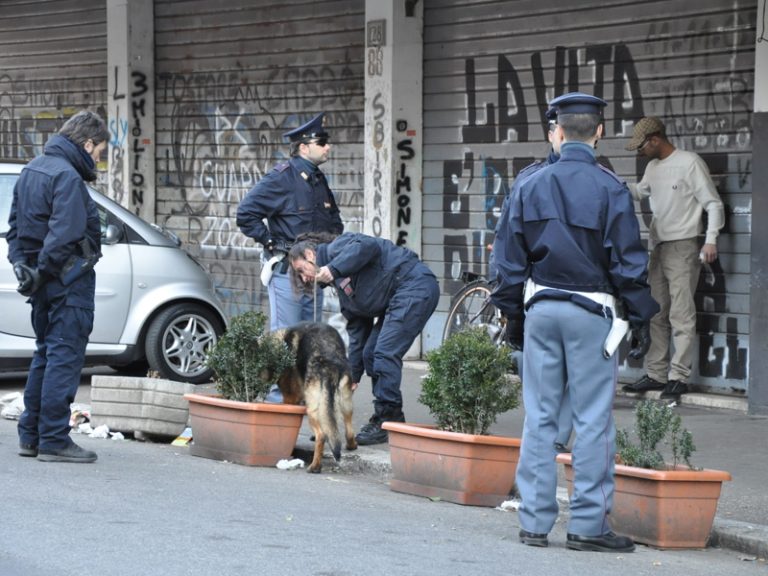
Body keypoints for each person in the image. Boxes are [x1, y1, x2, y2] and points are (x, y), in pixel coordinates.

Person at [491, 92, 659, 552]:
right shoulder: (611, 188)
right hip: (593, 313)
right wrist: (640, 315)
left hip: (541, 309)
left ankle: (533, 522)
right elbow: (628, 262)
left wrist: (513, 315)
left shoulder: (529, 184)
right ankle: (587, 525)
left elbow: (507, 261)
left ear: (559, 132)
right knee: (592, 420)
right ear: (599, 132)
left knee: (540, 417)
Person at [6, 110, 108, 463]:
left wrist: (23, 267)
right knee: (63, 357)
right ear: (87, 143)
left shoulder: (33, 169)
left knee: (45, 354)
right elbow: (65, 232)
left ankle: (30, 436)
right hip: (67, 282)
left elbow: (15, 228)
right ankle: (52, 439)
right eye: (99, 152)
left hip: (42, 282)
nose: (98, 160)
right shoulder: (66, 176)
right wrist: (44, 270)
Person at [287, 231, 439, 445]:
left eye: (301, 270)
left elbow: (368, 246)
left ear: (310, 255)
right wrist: (352, 374)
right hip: (400, 297)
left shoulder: (337, 248)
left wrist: (333, 268)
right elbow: (358, 332)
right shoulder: (341, 287)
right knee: (371, 354)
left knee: (384, 353)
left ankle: (389, 417)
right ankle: (384, 418)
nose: (304, 278)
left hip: (415, 286)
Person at [237, 112, 344, 402]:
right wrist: (275, 244)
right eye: (322, 142)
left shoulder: (318, 179)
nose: (328, 147)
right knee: (286, 338)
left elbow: (334, 223)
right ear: (304, 147)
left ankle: (302, 402)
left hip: (314, 274)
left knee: (310, 341)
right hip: (287, 272)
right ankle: (277, 403)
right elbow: (245, 214)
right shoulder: (281, 177)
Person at [622, 116, 725, 399]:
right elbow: (640, 191)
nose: (639, 152)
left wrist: (711, 239)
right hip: (658, 247)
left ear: (655, 139)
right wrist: (613, 184)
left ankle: (678, 377)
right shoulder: (653, 167)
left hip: (683, 246)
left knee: (681, 312)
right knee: (656, 311)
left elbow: (713, 203)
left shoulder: (689, 163)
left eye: (641, 146)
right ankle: (656, 375)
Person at [491, 108, 573, 453]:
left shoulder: (598, 181)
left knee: (566, 375)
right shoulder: (531, 179)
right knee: (539, 371)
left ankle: (552, 440)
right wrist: (510, 308)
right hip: (538, 296)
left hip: (565, 298)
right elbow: (507, 244)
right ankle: (548, 438)